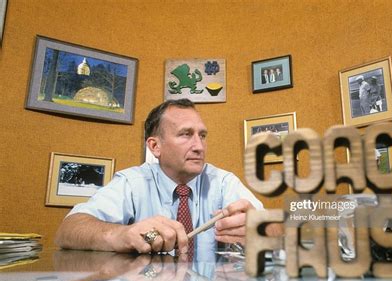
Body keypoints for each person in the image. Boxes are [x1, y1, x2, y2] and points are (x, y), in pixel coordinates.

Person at [55, 99, 264, 255]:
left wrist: (259, 229)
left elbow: (274, 227)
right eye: (185, 134)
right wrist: (122, 234)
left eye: (202, 135)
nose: (199, 146)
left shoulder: (223, 182)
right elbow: (68, 230)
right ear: (155, 146)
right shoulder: (132, 183)